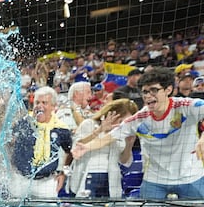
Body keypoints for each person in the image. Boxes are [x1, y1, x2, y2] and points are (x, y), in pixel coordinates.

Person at [73, 67, 204, 199]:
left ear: (168, 90)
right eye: (145, 92)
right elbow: (109, 137)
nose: (148, 96)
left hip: (191, 176)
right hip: (155, 180)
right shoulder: (139, 119)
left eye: (154, 90)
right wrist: (85, 147)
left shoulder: (187, 106)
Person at [11, 86, 73, 198]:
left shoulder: (61, 129)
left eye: (44, 103)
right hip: (20, 180)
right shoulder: (23, 124)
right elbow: (8, 144)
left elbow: (70, 152)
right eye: (37, 102)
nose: (40, 106)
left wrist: (63, 174)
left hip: (47, 182)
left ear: (53, 106)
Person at [69, 99, 138, 198]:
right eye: (121, 121)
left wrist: (129, 144)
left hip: (111, 178)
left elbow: (124, 161)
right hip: (89, 174)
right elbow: (77, 146)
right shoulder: (89, 124)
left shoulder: (121, 132)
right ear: (113, 114)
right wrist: (100, 130)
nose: (122, 124)